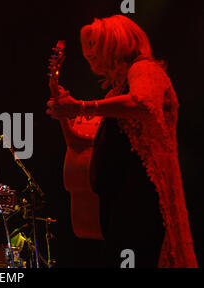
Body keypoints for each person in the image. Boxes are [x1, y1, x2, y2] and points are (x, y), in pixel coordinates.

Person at [46, 15, 198, 268]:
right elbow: (80, 143)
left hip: (142, 197)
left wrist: (83, 107)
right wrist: (65, 113)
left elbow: (144, 104)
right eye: (87, 47)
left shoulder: (144, 69)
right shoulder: (115, 93)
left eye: (94, 44)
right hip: (119, 199)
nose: (88, 54)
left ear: (115, 42)